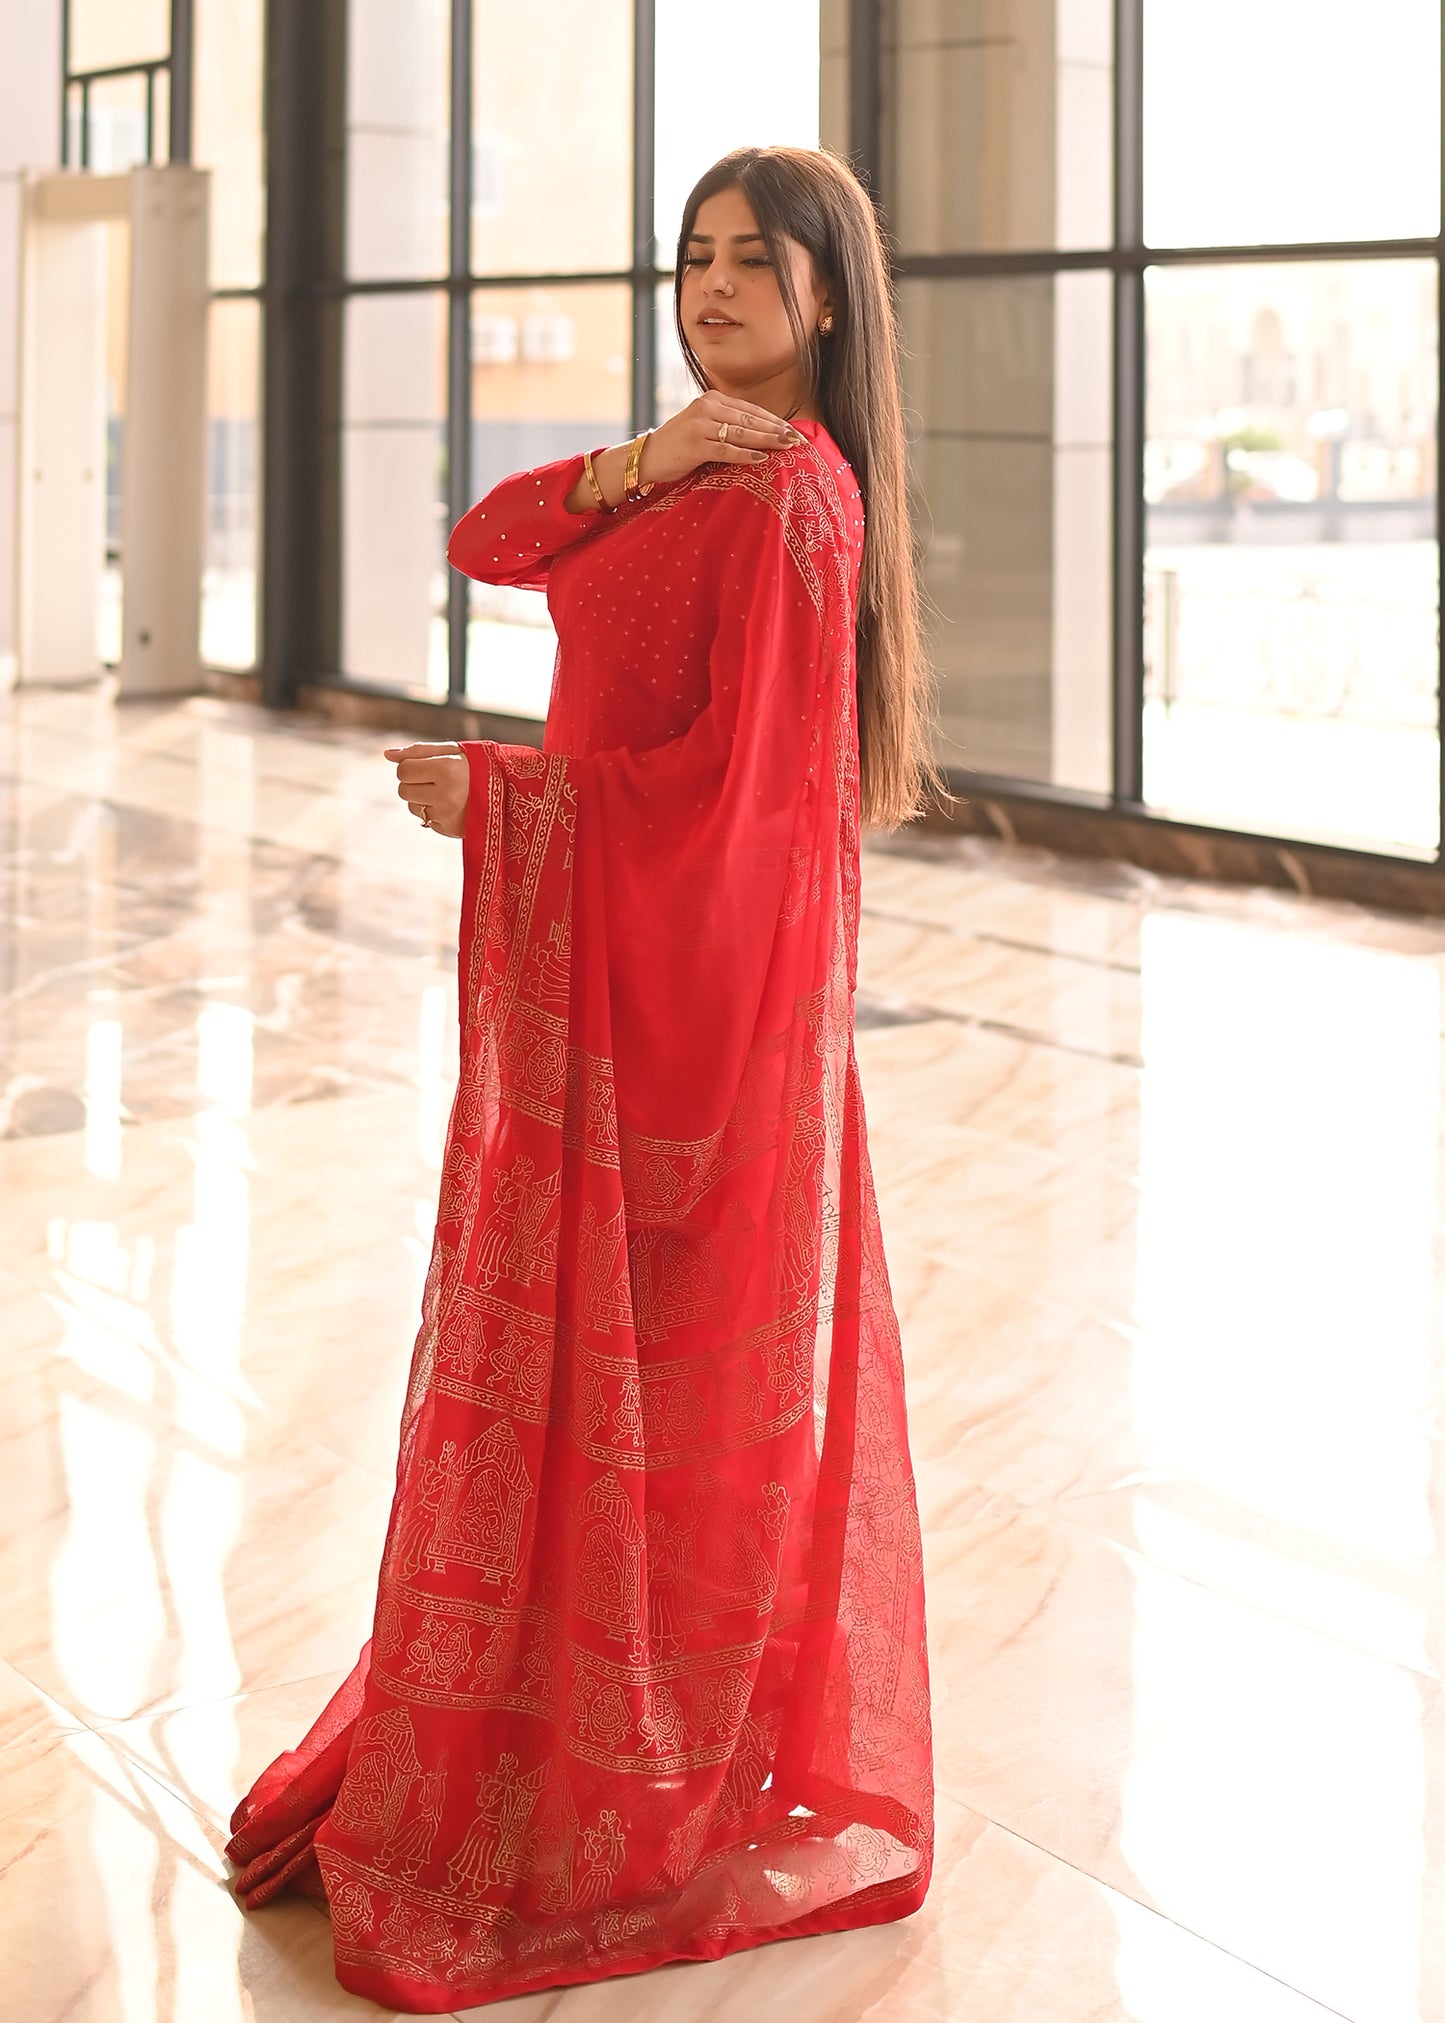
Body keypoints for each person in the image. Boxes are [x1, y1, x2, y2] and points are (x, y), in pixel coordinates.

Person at [226, 143, 935, 2013]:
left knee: (656, 1414)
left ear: (826, 295)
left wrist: (511, 803)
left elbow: (746, 809)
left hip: (691, 1015)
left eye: (752, 261)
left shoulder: (796, 501)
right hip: (609, 989)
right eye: (691, 257)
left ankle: (634, 1797)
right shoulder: (698, 464)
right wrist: (642, 456)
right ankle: (557, 1754)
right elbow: (489, 539)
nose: (712, 288)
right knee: (570, 1393)